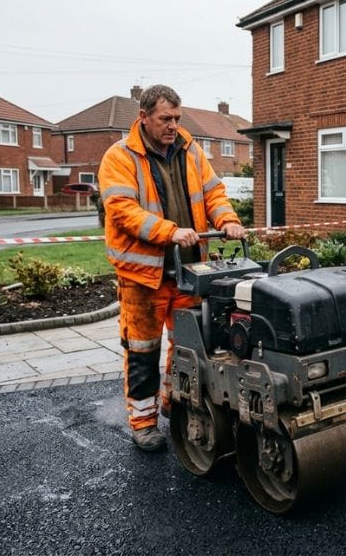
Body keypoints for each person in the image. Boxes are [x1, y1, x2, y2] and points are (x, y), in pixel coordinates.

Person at [98, 84, 245, 452]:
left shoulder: (190, 150)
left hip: (189, 272)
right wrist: (170, 231)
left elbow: (213, 193)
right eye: (166, 118)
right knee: (143, 351)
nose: (173, 125)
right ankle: (143, 422)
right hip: (143, 276)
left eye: (177, 118)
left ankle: (173, 400)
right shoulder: (120, 157)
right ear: (144, 117)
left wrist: (227, 219)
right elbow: (123, 210)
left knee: (188, 347)